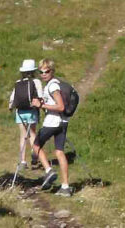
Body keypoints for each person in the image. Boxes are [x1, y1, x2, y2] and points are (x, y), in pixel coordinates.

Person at [31, 59, 72, 196]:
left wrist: (41, 105)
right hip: (63, 122)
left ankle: (49, 171)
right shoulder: (54, 84)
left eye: (46, 71)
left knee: (36, 146)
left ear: (52, 71)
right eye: (41, 72)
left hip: (52, 122)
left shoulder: (52, 86)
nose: (43, 74)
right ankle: (65, 187)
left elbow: (60, 106)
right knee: (59, 152)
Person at [9, 58, 43, 168]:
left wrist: (11, 107)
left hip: (20, 112)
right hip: (32, 110)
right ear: (33, 71)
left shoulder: (18, 83)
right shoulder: (36, 82)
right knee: (32, 134)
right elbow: (41, 96)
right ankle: (35, 154)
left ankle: (23, 161)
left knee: (23, 136)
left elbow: (13, 98)